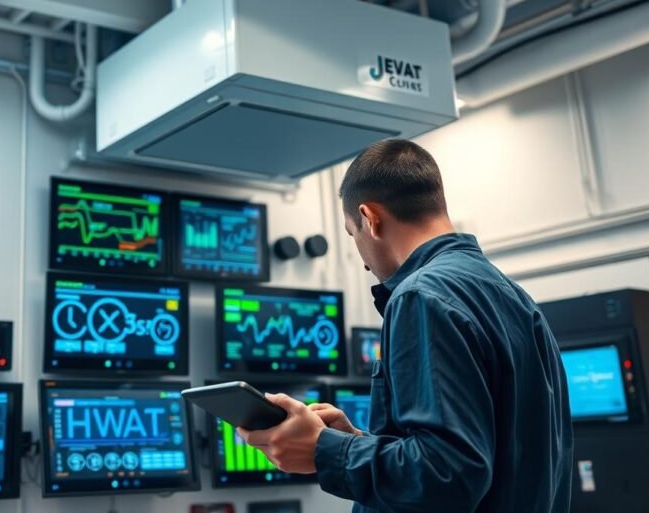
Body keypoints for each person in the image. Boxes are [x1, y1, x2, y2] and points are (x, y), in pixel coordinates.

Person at [239, 139, 573, 512]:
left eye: (353, 235)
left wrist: (325, 449)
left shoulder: (421, 296)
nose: (363, 262)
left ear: (370, 218)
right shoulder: (511, 295)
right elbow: (486, 457)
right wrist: (355, 440)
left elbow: (447, 475)